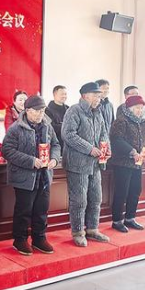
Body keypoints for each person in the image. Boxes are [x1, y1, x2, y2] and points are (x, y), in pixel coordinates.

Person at [2, 95, 60, 255]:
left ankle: (39, 238)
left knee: (42, 210)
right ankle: (20, 240)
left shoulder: (47, 126)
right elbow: (7, 151)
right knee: (24, 211)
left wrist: (54, 159)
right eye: (37, 111)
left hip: (44, 175)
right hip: (24, 177)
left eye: (43, 111)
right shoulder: (16, 128)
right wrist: (31, 161)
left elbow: (55, 144)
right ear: (27, 111)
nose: (41, 114)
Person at [61, 82, 111, 247]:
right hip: (77, 164)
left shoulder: (98, 112)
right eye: (95, 95)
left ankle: (92, 229)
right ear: (85, 95)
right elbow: (68, 134)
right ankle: (78, 232)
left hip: (95, 164)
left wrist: (106, 149)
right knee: (79, 200)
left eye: (99, 96)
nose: (98, 99)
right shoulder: (74, 111)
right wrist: (90, 149)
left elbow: (104, 133)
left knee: (96, 198)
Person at [109, 95, 145, 233]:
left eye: (141, 108)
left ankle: (130, 218)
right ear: (130, 108)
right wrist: (132, 152)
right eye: (137, 108)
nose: (140, 110)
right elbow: (116, 140)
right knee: (122, 192)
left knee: (136, 190)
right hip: (123, 163)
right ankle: (117, 221)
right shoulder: (121, 121)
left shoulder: (142, 122)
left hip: (137, 163)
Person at [45, 85, 69, 150]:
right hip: (56, 145)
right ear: (54, 95)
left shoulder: (69, 109)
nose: (64, 96)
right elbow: (51, 128)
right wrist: (67, 126)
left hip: (68, 145)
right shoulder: (47, 110)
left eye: (65, 94)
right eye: (62, 94)